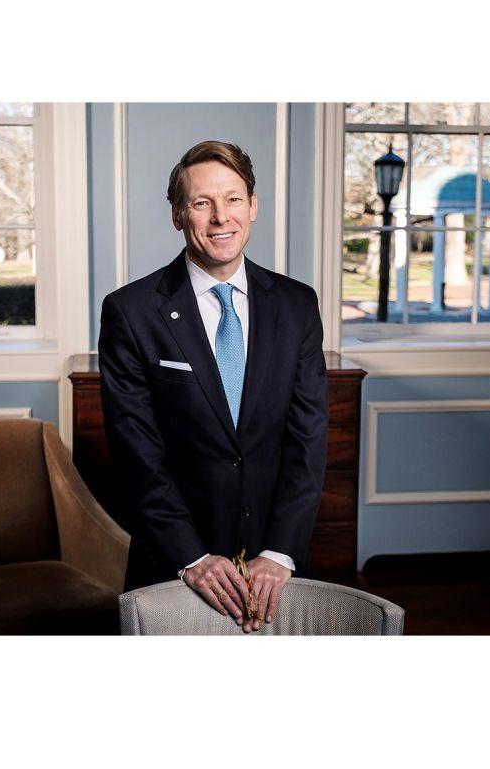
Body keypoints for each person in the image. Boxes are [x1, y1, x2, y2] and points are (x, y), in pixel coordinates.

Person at [99, 140, 328, 633]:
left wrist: (279, 553)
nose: (221, 217)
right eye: (202, 203)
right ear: (179, 215)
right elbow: (137, 453)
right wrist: (192, 557)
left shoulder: (297, 305)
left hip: (277, 570)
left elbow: (307, 441)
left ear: (253, 206)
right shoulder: (131, 313)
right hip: (175, 565)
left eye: (233, 199)